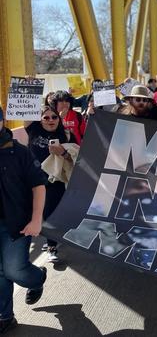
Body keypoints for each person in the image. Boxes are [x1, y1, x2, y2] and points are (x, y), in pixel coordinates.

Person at [0, 106, 48, 333]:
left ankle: (37, 278)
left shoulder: (19, 152)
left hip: (16, 223)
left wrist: (37, 220)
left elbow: (39, 185)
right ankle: (5, 316)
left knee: (14, 270)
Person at [25, 106, 78, 263]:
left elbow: (75, 158)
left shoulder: (67, 135)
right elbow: (26, 109)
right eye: (46, 117)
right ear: (39, 120)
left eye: (54, 117)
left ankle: (51, 246)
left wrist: (63, 152)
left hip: (54, 180)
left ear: (59, 119)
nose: (50, 120)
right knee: (33, 212)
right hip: (32, 179)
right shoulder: (33, 129)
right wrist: (29, 88)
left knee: (50, 212)